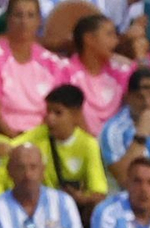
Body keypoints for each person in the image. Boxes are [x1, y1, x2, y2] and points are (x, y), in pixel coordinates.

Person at [0, 0, 63, 137]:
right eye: (18, 15)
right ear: (8, 19)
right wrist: (16, 139)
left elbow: (57, 109)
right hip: (5, 135)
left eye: (30, 15)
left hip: (44, 134)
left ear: (39, 21)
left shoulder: (52, 62)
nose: (24, 21)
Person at [19, 83, 108, 216]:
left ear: (76, 115)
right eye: (48, 112)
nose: (50, 118)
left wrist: (81, 198)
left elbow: (99, 192)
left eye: (58, 113)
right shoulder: (40, 133)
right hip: (41, 206)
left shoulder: (89, 144)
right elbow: (11, 147)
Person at [61, 12, 135, 136]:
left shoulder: (122, 70)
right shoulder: (65, 71)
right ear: (89, 39)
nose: (116, 42)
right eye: (109, 35)